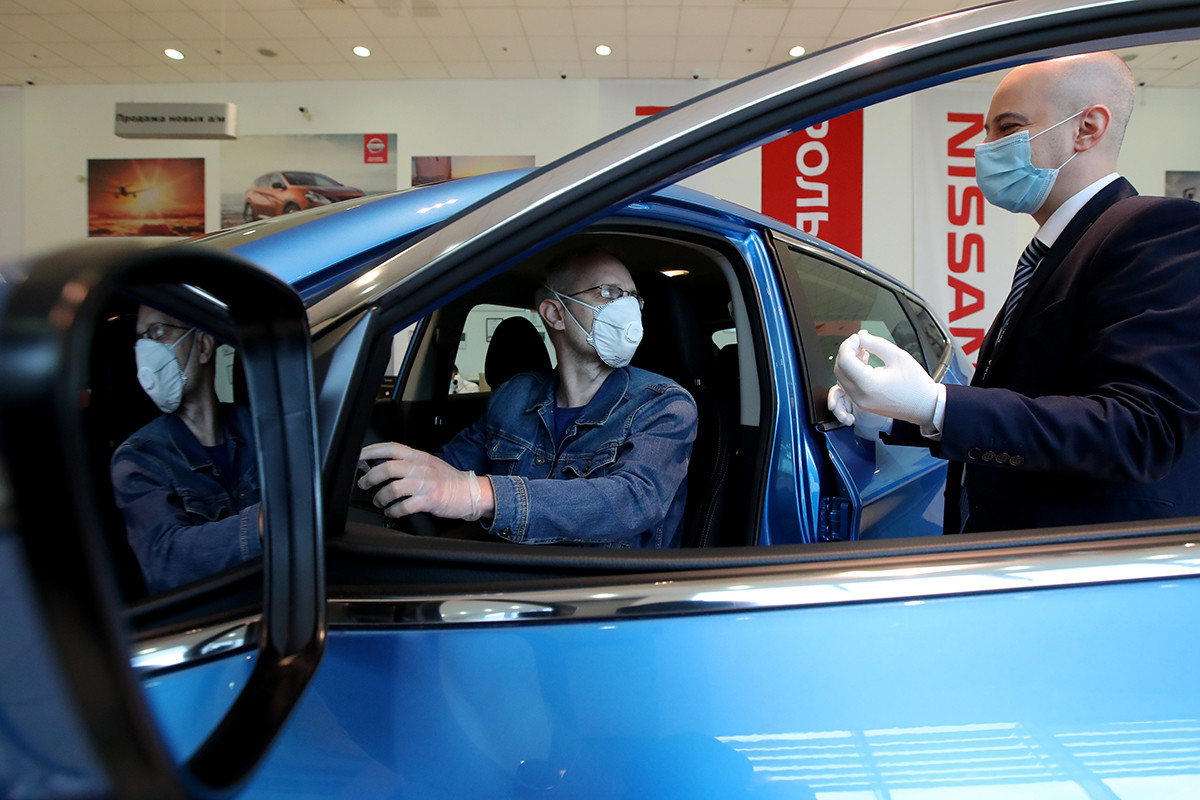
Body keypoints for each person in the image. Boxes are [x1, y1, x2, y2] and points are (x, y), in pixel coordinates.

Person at [830, 51, 1200, 533]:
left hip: (1088, 566)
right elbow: (1038, 396)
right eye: (986, 131)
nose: (984, 148)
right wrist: (893, 414)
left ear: (1086, 128)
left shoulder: (1153, 230)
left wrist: (936, 406)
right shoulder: (1061, 249)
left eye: (1006, 128)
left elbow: (1140, 429)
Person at [358, 246, 698, 547]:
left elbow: (632, 501)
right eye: (608, 292)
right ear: (555, 314)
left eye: (631, 297)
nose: (626, 310)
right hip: (513, 582)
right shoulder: (515, 396)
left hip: (606, 598)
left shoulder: (663, 404)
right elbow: (448, 471)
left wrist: (479, 495)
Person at [110, 306, 261, 593]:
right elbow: (166, 561)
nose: (146, 351)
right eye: (141, 338)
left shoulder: (261, 426)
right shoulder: (139, 458)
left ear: (203, 346)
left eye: (158, 332)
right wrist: (267, 522)